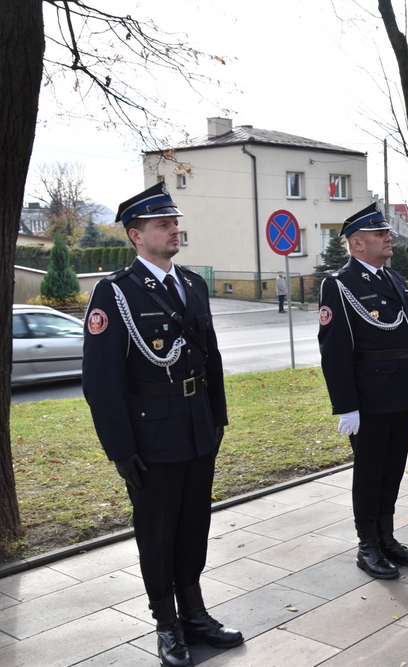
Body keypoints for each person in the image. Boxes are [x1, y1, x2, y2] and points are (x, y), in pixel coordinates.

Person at [82, 182, 243, 667]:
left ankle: (194, 612)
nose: (174, 230)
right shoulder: (115, 293)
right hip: (151, 435)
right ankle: (166, 623)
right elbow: (101, 382)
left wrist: (217, 418)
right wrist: (119, 449)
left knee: (194, 526)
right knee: (157, 531)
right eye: (162, 225)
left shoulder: (191, 284)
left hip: (196, 427)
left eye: (174, 222)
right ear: (136, 235)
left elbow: (209, 357)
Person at [318, 202, 408, 579]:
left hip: (402, 390)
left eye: (387, 233)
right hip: (369, 398)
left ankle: (387, 536)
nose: (388, 238)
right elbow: (334, 351)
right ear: (356, 244)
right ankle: (367, 544)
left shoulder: (393, 279)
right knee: (370, 472)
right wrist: (346, 406)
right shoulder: (339, 284)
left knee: (393, 469)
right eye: (379, 234)